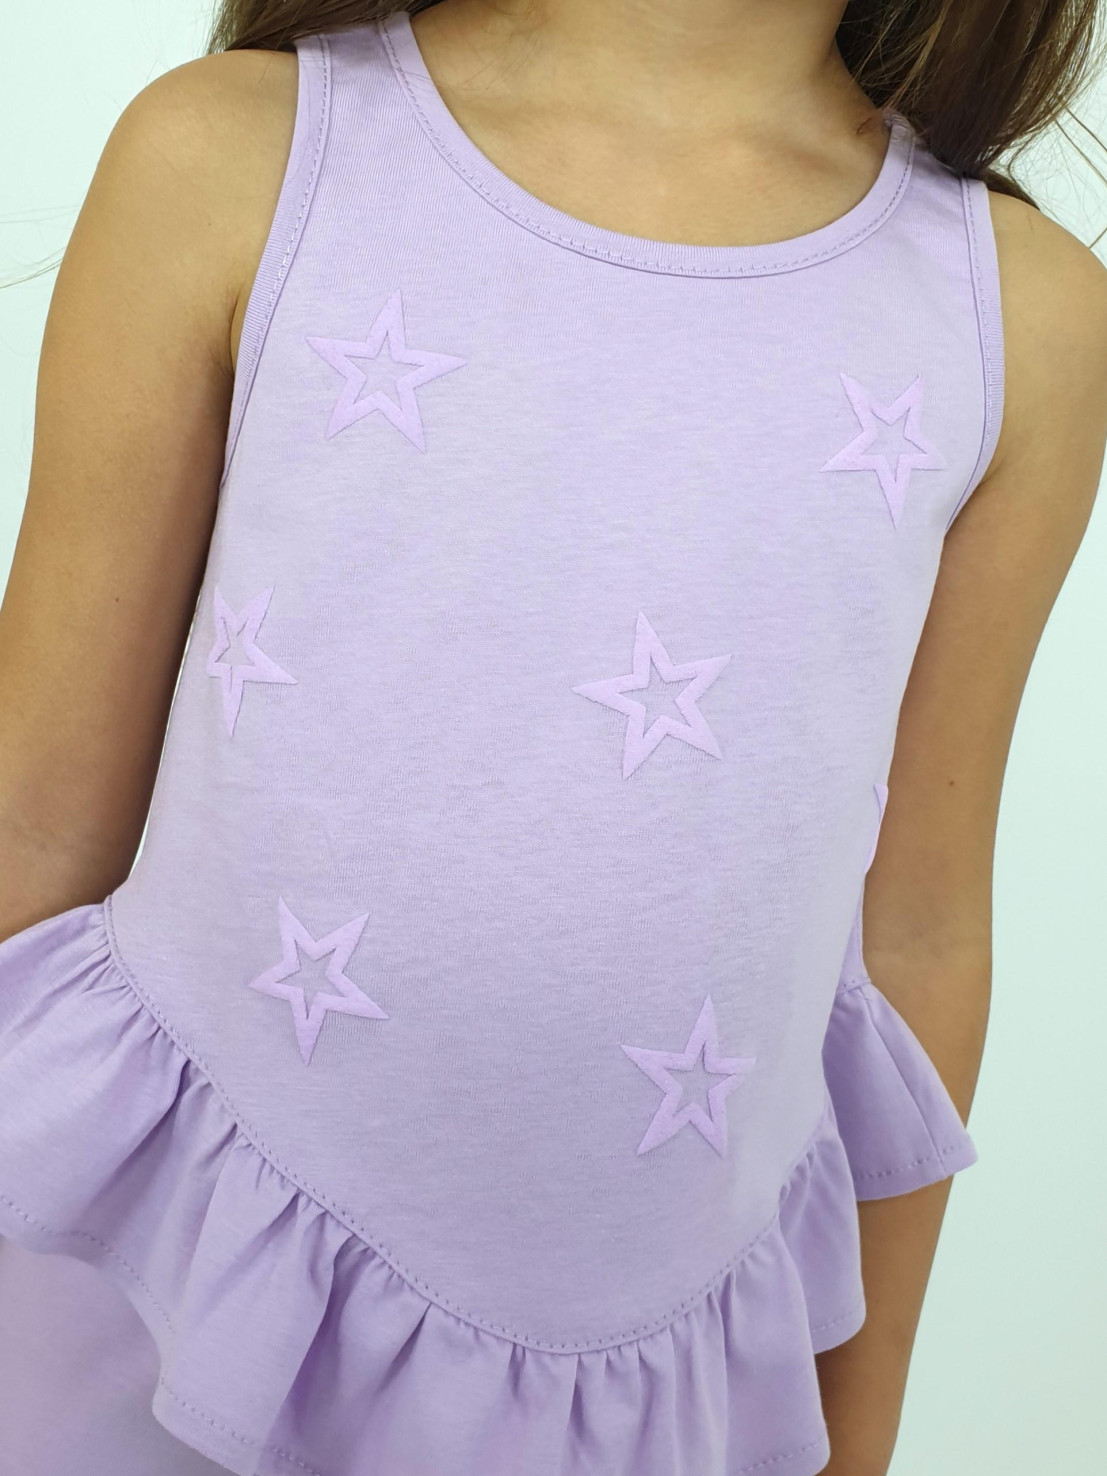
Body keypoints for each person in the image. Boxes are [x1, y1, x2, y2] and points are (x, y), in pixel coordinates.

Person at [1, 2, 1105, 1473]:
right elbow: (36, 821)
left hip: (647, 1396)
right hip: (149, 1305)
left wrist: (856, 1434)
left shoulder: (1017, 313)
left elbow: (918, 933)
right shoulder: (234, 157)